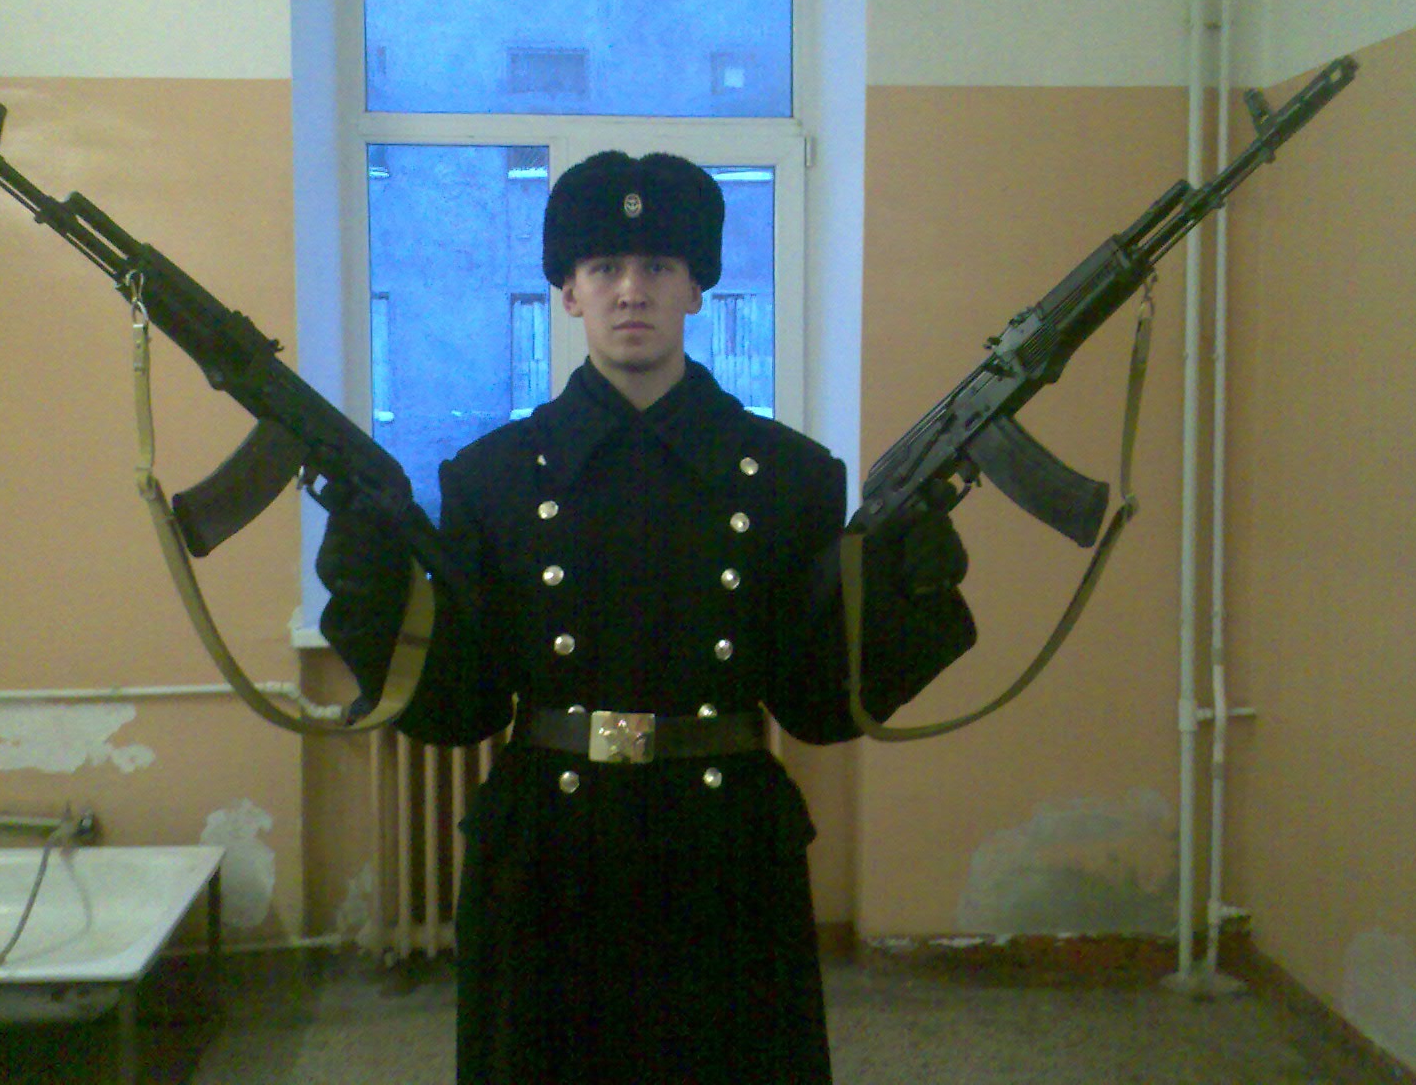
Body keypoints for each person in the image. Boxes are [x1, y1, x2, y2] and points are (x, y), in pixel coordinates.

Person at [317, 150, 977, 1084]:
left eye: (659, 266)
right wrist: (371, 582)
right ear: (568, 293)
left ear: (697, 288)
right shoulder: (492, 478)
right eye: (605, 267)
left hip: (724, 850)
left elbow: (819, 700)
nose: (633, 290)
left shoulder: (790, 476)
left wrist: (910, 583)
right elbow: (463, 703)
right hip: (548, 852)